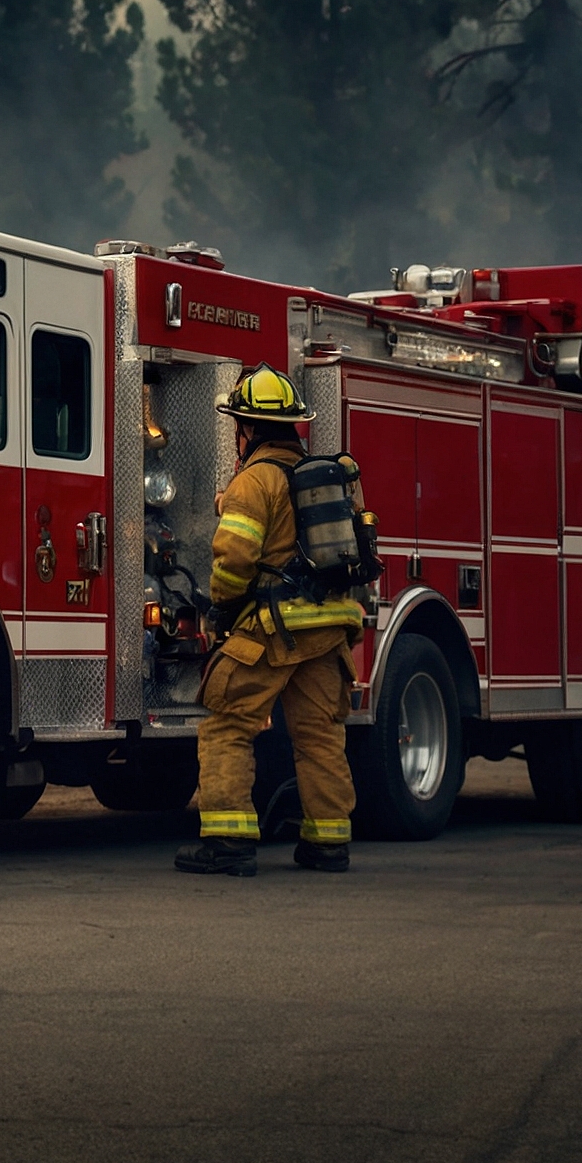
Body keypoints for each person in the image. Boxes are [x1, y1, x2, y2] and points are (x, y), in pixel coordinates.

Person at [176, 366, 366, 876]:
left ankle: (227, 841)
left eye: (238, 426)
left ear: (249, 429)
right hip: (328, 632)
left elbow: (234, 560)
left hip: (273, 630)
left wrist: (221, 607)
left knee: (227, 723)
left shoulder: (253, 481)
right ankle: (328, 844)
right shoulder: (331, 479)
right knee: (320, 736)